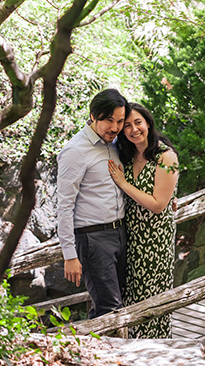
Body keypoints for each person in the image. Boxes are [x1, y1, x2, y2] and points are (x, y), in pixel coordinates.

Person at [108, 103, 180, 338]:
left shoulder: (166, 156)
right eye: (126, 125)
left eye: (138, 122)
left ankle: (157, 352)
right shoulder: (126, 155)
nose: (133, 129)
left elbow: (159, 205)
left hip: (155, 241)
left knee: (152, 303)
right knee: (131, 298)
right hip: (130, 238)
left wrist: (123, 183)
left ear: (148, 122)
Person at [56, 89, 129, 319]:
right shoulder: (75, 151)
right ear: (93, 116)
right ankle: (108, 355)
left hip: (120, 233)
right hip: (93, 239)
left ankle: (95, 352)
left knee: (115, 304)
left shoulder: (115, 144)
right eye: (109, 120)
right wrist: (69, 254)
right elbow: (64, 206)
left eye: (120, 121)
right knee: (110, 310)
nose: (115, 127)